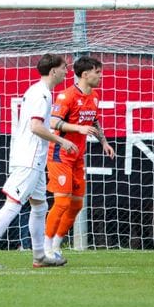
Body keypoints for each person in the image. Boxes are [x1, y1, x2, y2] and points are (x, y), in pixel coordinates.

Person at [0, 53, 74, 270]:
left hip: (34, 158)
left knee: (40, 205)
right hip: (29, 158)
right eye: (64, 67)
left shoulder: (39, 90)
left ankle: (39, 256)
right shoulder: (42, 95)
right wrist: (61, 141)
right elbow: (36, 127)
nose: (67, 71)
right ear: (54, 70)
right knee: (13, 204)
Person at [44, 56, 115, 259]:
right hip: (60, 155)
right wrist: (78, 128)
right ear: (85, 74)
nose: (101, 76)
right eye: (98, 72)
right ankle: (45, 247)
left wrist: (104, 142)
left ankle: (56, 246)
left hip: (77, 157)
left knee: (76, 204)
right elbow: (54, 123)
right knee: (62, 202)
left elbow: (94, 120)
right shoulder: (66, 97)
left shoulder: (95, 96)